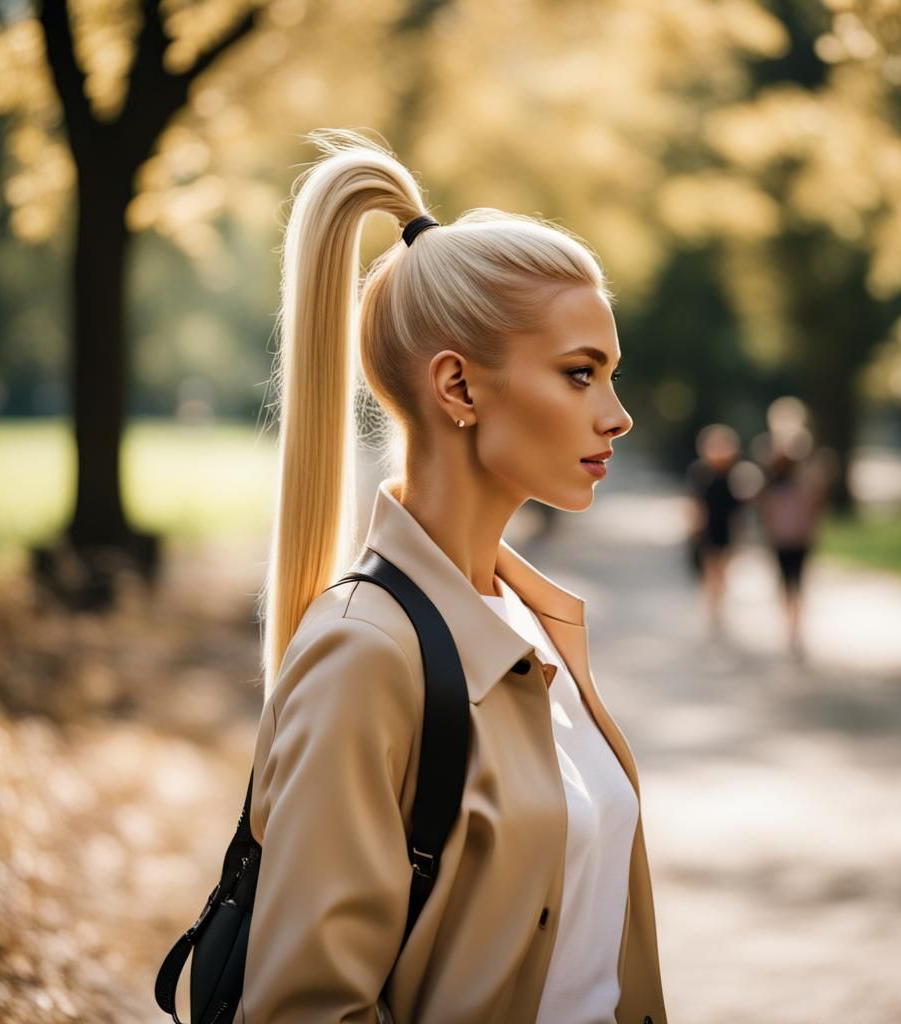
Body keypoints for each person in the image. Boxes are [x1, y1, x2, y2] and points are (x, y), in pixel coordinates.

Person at [235, 130, 668, 1024]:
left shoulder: (528, 619)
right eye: (580, 375)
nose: (617, 416)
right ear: (459, 390)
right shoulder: (364, 658)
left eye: (611, 376)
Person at [756, 448, 828, 660]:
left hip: (793, 541)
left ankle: (793, 626)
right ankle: (793, 627)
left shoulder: (799, 486)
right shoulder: (776, 489)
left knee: (791, 586)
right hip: (790, 541)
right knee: (792, 585)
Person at [684, 424, 745, 635]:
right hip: (707, 531)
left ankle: (719, 611)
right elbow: (694, 503)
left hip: (726, 530)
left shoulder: (734, 476)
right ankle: (711, 614)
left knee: (723, 573)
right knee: (710, 572)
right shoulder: (701, 473)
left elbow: (739, 510)